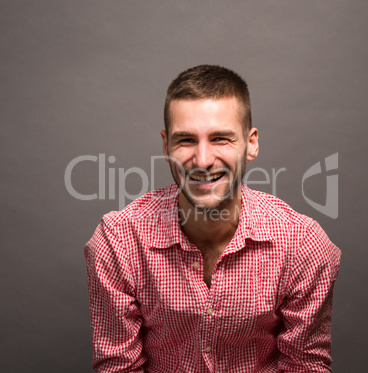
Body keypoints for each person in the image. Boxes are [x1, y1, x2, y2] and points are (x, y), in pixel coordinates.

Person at [84, 65, 341, 372]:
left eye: (220, 138)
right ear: (165, 146)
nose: (203, 160)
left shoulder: (303, 245)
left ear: (251, 143)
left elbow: (305, 366)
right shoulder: (118, 241)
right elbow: (118, 368)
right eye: (186, 140)